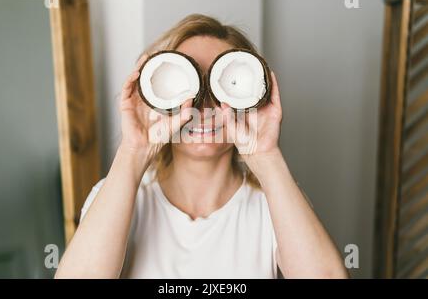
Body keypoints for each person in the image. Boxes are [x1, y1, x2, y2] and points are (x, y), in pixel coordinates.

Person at [55, 14, 348, 279]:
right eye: (188, 84)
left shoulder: (275, 202)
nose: (204, 105)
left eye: (225, 84)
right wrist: (134, 152)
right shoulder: (117, 194)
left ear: (252, 98)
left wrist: (265, 156)